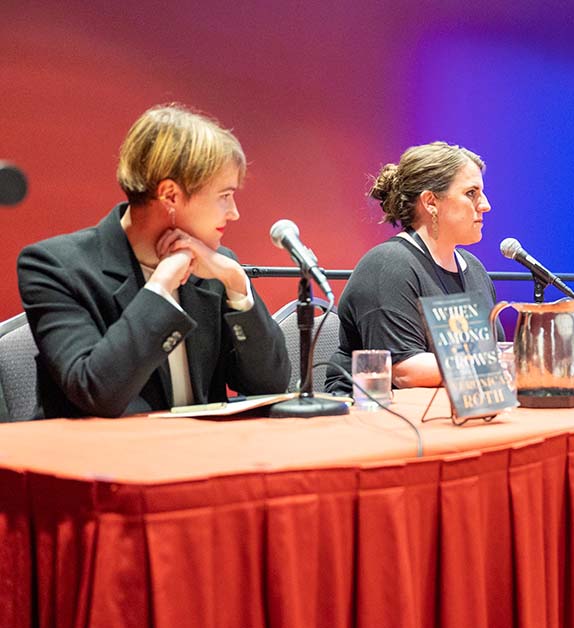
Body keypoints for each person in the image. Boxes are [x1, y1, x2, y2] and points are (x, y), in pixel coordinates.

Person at [17, 105, 290, 418]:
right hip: (104, 460)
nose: (234, 212)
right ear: (170, 195)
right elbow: (98, 393)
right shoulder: (55, 267)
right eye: (224, 195)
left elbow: (271, 386)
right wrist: (161, 287)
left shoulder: (217, 267)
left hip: (203, 459)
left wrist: (236, 283)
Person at [324, 141, 497, 394]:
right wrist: (500, 366)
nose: (485, 205)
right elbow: (405, 370)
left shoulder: (473, 268)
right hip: (375, 418)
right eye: (471, 193)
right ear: (430, 202)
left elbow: (493, 349)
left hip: (452, 410)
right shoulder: (387, 266)